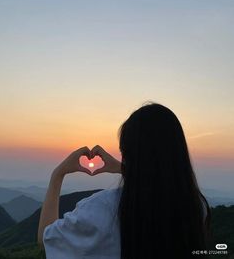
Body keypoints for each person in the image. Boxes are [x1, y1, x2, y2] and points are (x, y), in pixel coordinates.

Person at [38, 101, 211, 259]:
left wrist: (58, 174)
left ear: (127, 153)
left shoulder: (102, 209)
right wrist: (126, 170)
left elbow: (46, 238)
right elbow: (157, 184)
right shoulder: (196, 206)